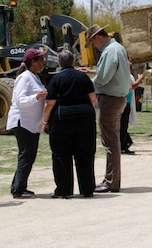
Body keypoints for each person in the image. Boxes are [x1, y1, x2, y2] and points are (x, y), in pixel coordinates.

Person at [42, 50, 97, 198]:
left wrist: (45, 121)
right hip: (85, 117)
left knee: (61, 154)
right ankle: (87, 189)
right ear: (73, 61)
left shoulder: (56, 79)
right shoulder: (83, 77)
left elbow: (49, 103)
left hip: (62, 119)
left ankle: (64, 190)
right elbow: (93, 98)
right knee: (85, 153)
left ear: (60, 63)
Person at [86, 24, 131, 193]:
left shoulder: (110, 51)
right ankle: (111, 179)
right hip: (117, 97)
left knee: (110, 142)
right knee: (113, 141)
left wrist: (88, 82)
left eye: (92, 42)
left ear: (97, 37)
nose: (94, 46)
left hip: (109, 99)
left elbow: (104, 78)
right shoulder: (117, 48)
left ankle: (111, 181)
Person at [6, 48, 48, 199]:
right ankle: (19, 189)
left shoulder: (34, 77)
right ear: (33, 62)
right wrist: (36, 97)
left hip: (31, 123)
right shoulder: (24, 78)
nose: (43, 62)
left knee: (28, 155)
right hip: (22, 121)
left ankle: (17, 185)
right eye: (40, 59)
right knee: (26, 155)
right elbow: (20, 101)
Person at [120, 61, 145, 155]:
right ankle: (123, 146)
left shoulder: (125, 75)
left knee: (123, 125)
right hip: (123, 103)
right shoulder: (124, 76)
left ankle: (126, 142)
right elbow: (132, 86)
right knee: (122, 125)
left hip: (126, 102)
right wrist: (140, 79)